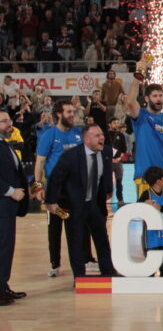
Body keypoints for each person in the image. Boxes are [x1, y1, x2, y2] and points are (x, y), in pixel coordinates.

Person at [45, 124, 115, 278]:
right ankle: (79, 276)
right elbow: (55, 178)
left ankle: (108, 272)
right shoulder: (71, 156)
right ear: (86, 139)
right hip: (72, 205)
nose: (102, 138)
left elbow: (106, 173)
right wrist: (51, 201)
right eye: (97, 135)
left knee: (102, 239)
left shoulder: (106, 152)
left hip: (95, 204)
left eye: (102, 134)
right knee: (75, 241)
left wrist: (108, 189)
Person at [34, 100, 83, 278]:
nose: (72, 115)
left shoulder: (78, 134)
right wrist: (38, 187)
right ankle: (55, 263)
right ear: (59, 114)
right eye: (69, 112)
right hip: (56, 193)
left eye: (73, 112)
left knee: (75, 229)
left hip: (75, 192)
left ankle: (79, 266)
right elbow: (40, 162)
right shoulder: (49, 135)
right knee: (54, 229)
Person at [126, 58, 163, 198]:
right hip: (145, 176)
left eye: (161, 96)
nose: (159, 99)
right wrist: (138, 76)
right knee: (147, 217)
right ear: (146, 99)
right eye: (155, 96)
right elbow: (131, 101)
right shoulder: (141, 115)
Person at [0, 110, 29, 305]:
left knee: (6, 248)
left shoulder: (5, 144)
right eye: (3, 121)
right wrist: (11, 191)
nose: (9, 123)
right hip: (2, 204)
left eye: (9, 120)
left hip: (8, 207)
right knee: (2, 248)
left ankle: (3, 286)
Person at [138, 166, 163, 277]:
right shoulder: (146, 194)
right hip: (151, 236)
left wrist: (161, 207)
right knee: (151, 267)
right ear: (158, 181)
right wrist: (144, 204)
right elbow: (137, 209)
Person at [107, 117, 127, 207]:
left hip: (118, 161)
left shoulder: (121, 135)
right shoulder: (105, 135)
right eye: (114, 123)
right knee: (106, 181)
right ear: (109, 124)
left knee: (119, 181)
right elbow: (101, 149)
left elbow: (124, 149)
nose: (116, 124)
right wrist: (109, 159)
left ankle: (120, 200)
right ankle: (105, 199)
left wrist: (119, 158)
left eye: (117, 123)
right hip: (107, 161)